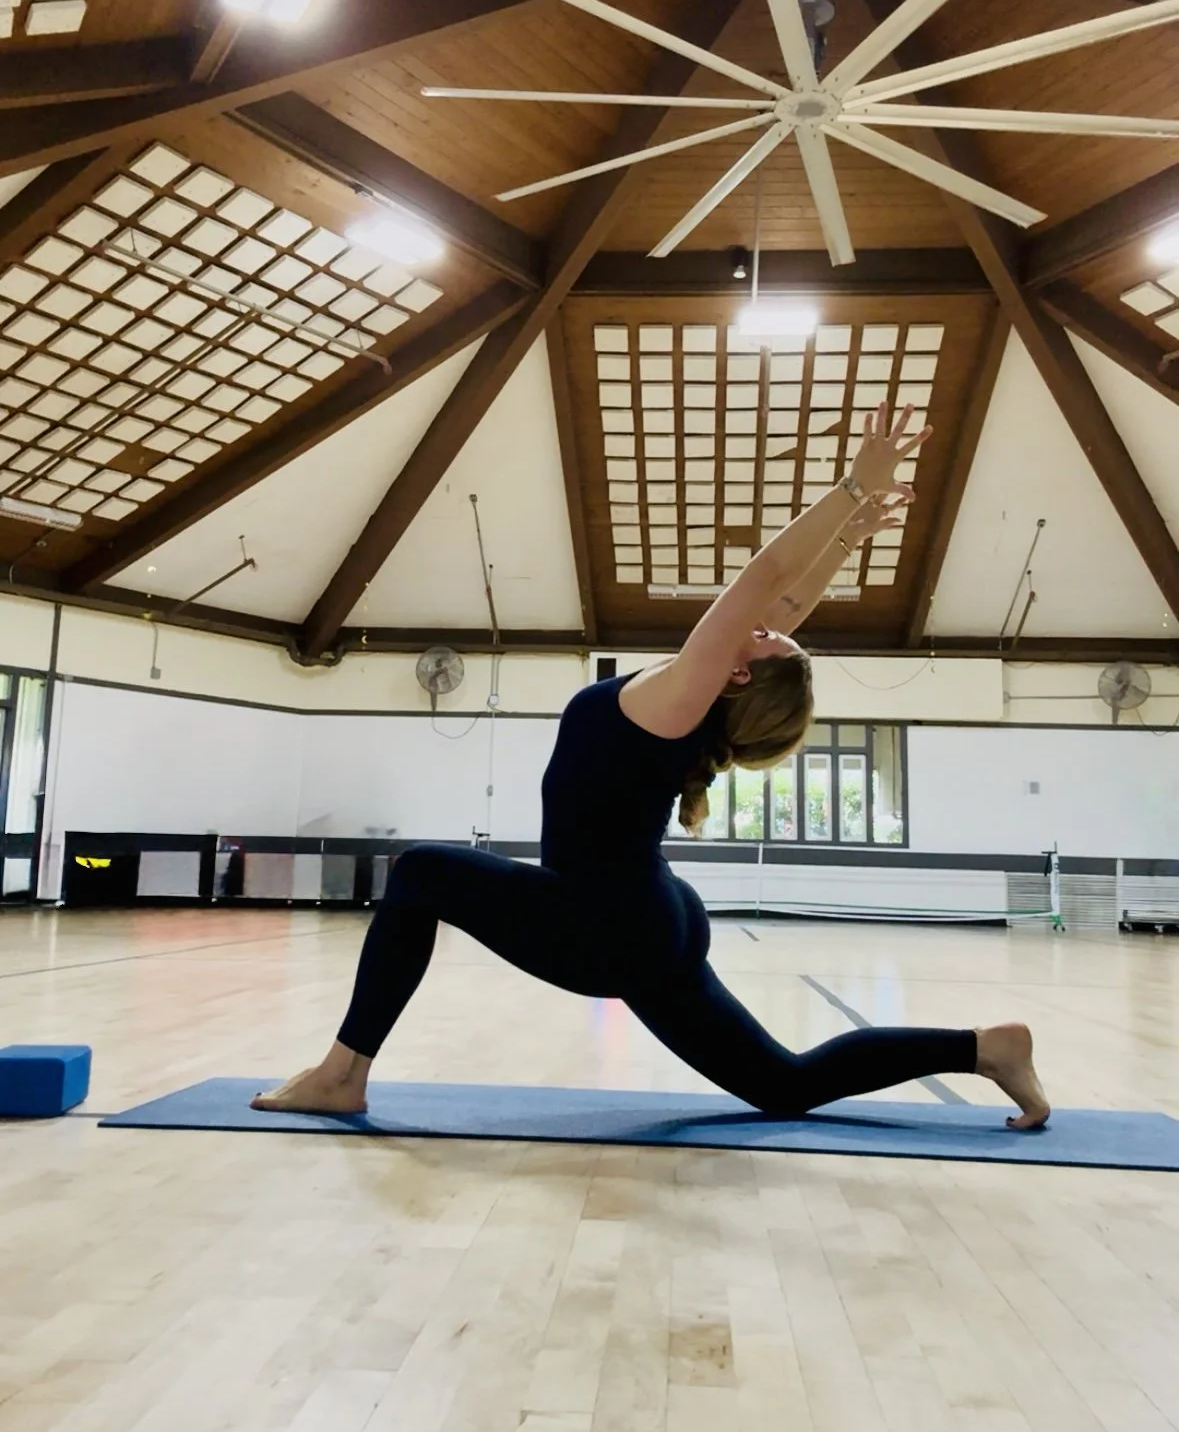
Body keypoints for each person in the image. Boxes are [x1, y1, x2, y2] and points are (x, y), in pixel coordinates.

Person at [254, 403, 1049, 1130]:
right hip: (648, 918)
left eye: (774, 639)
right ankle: (984, 1048)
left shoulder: (680, 699)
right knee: (783, 1084)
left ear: (739, 671)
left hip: (606, 924)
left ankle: (341, 1073)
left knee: (419, 871)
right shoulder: (689, 704)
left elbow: (764, 581)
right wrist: (848, 539)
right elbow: (786, 599)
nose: (775, 624)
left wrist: (849, 489)